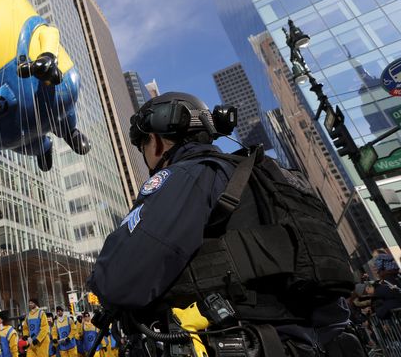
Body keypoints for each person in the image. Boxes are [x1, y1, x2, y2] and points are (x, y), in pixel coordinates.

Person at [87, 92, 360, 356]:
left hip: (233, 343)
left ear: (156, 141)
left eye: (143, 146)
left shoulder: (187, 174)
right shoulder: (272, 178)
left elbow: (120, 278)